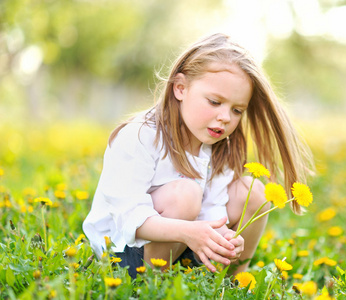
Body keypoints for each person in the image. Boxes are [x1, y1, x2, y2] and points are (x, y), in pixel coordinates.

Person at [83, 33, 313, 278]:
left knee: (253, 192)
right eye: (215, 102)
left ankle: (229, 283)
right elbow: (130, 218)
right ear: (180, 88)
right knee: (186, 193)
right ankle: (149, 285)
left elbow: (212, 212)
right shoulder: (139, 136)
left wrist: (224, 237)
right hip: (121, 255)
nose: (226, 117)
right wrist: (187, 232)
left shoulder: (217, 147)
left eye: (237, 110)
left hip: (181, 245)